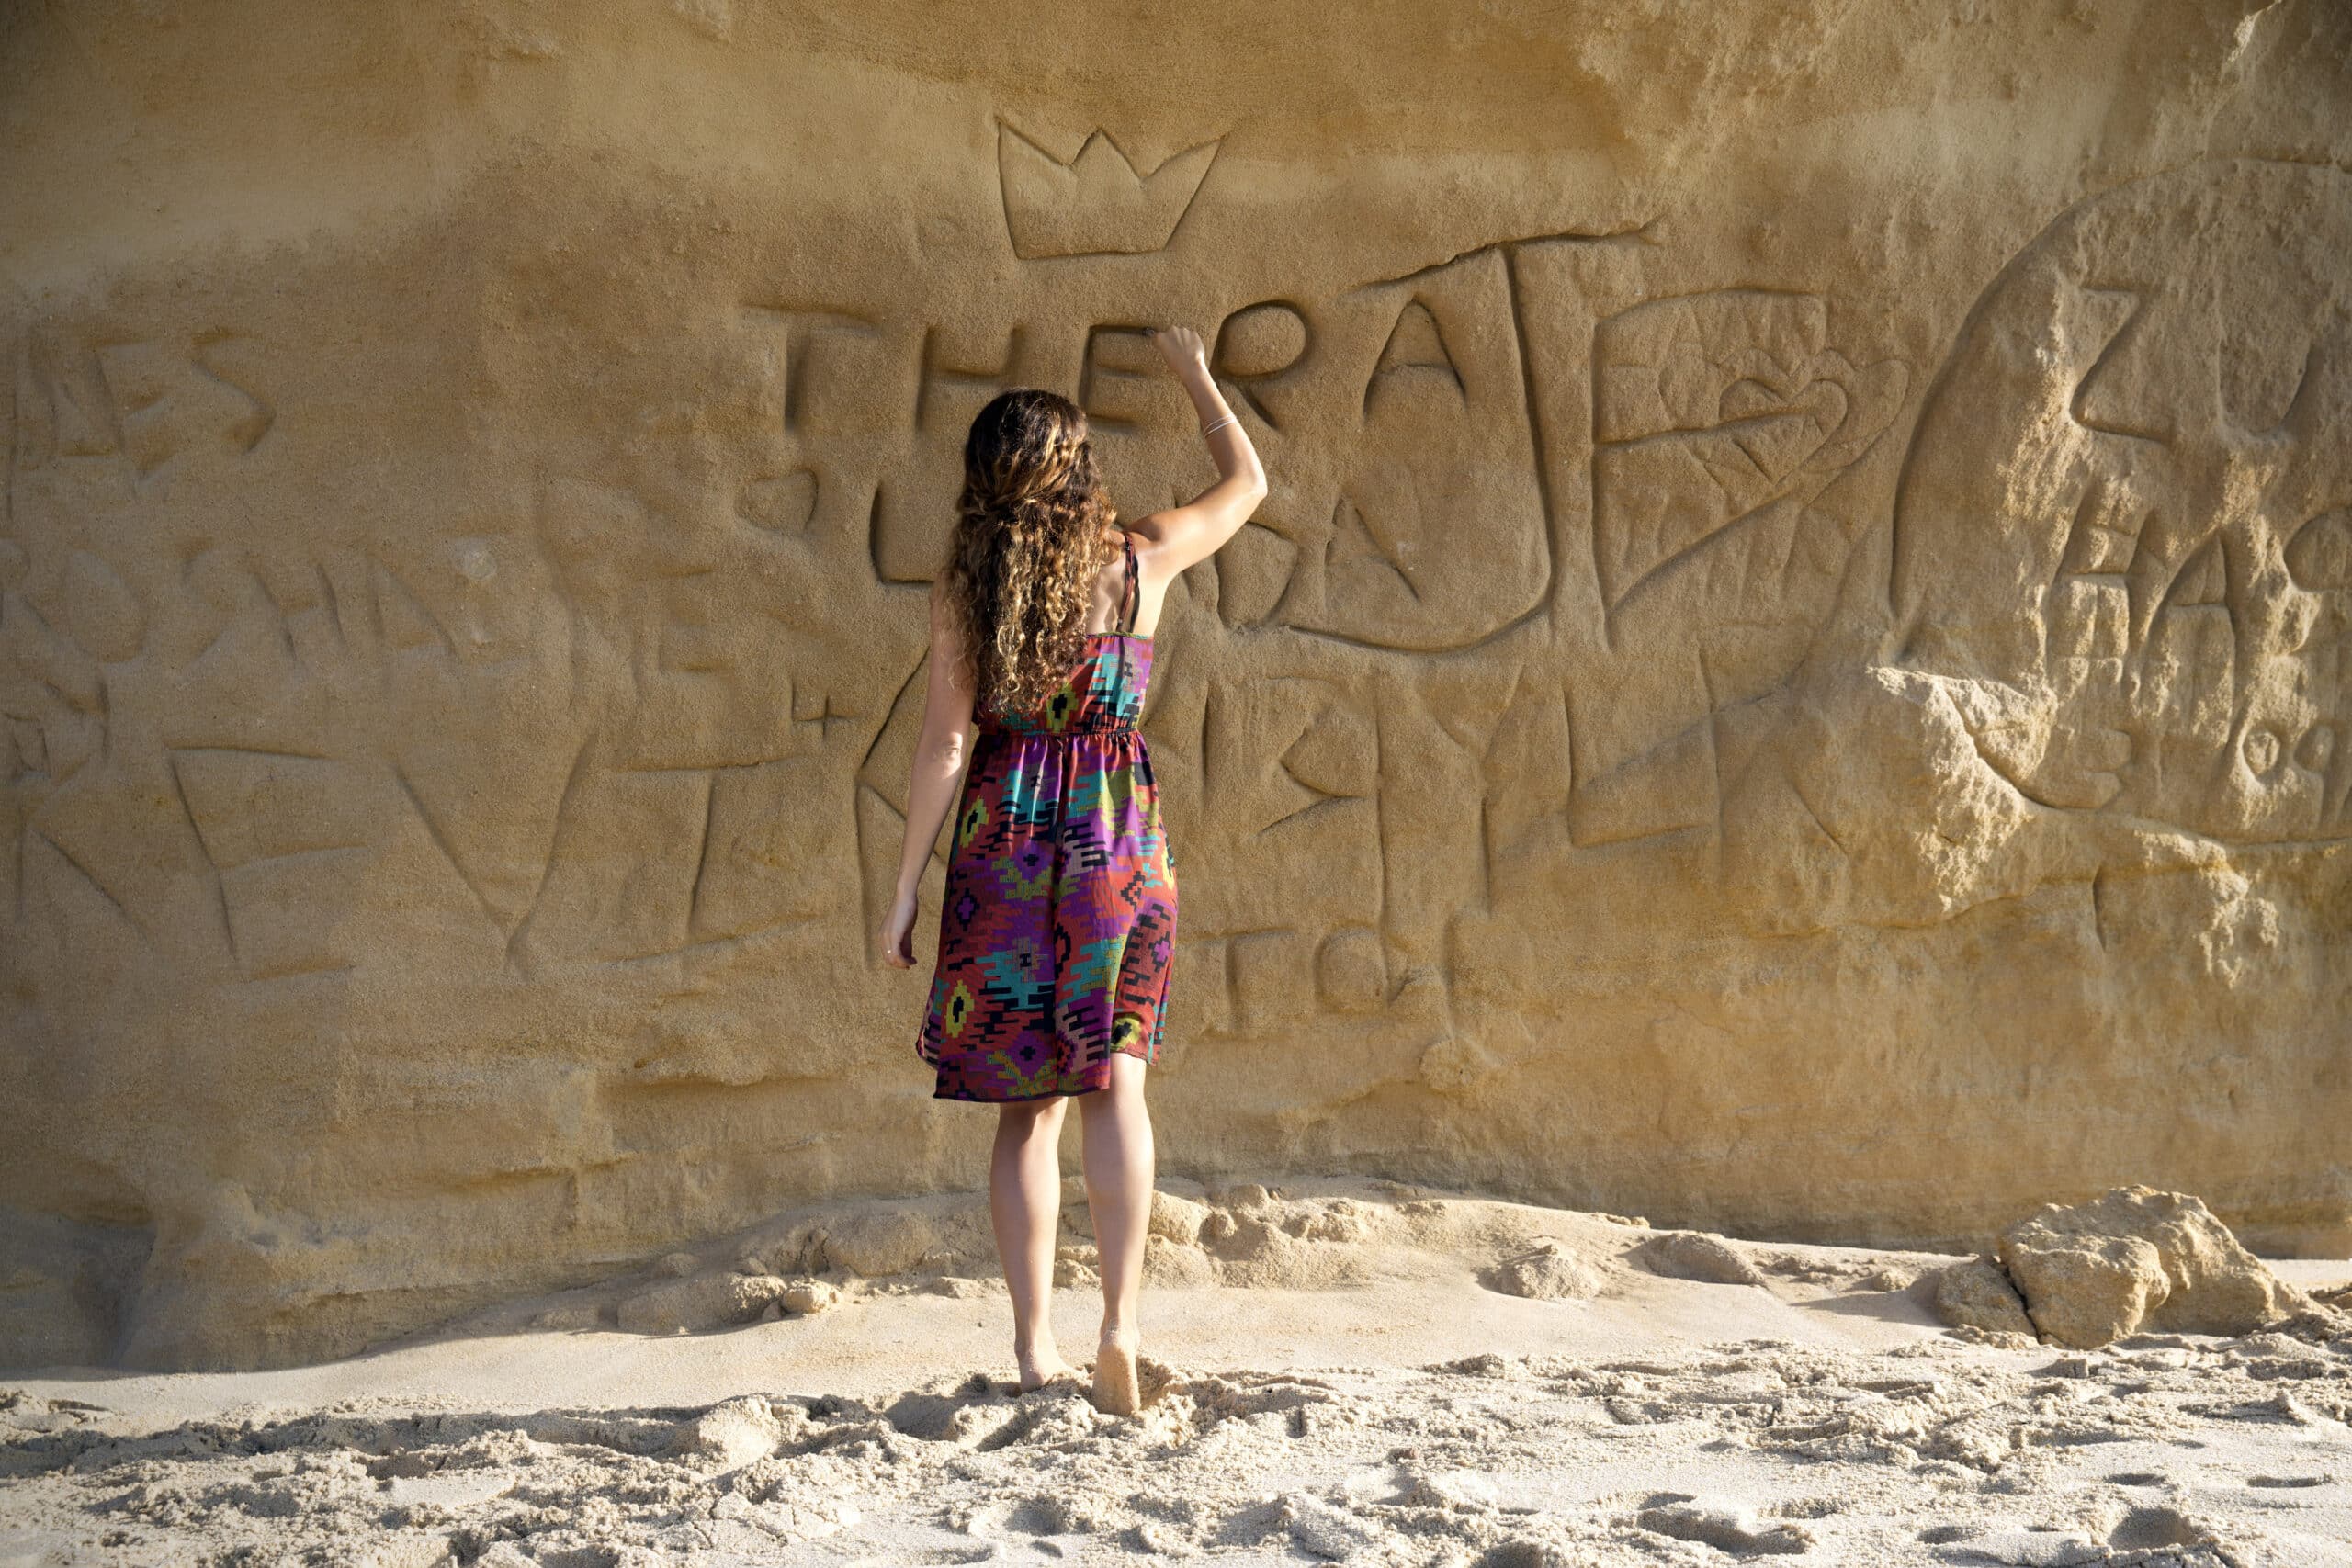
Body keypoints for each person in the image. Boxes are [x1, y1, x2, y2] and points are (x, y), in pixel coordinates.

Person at [876, 325, 1267, 1415]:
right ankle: (1122, 1323)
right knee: (1117, 1082)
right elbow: (1247, 483)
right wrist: (1196, 378)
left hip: (1004, 852)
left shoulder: (969, 592)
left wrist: (906, 885)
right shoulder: (1139, 560)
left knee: (1025, 1113)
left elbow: (944, 746)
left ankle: (1034, 1347)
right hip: (1116, 847)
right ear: (1079, 471)